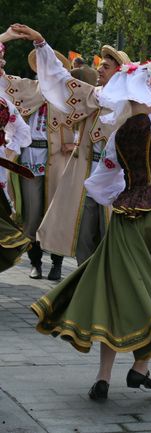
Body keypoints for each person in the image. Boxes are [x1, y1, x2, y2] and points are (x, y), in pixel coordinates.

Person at [28, 28, 151, 401]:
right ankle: (139, 367)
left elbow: (102, 185)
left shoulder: (117, 136)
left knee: (119, 293)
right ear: (149, 92)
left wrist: (129, 195)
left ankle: (105, 376)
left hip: (124, 219)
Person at [8, 24, 131, 267]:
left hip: (115, 179)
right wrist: (40, 42)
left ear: (120, 71)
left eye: (106, 66)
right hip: (85, 175)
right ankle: (81, 283)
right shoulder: (92, 96)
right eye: (99, 65)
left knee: (110, 236)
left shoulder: (134, 104)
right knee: (83, 234)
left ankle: (107, 285)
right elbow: (61, 79)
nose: (99, 69)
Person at [0, 32, 76, 280]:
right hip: (30, 160)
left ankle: (56, 262)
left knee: (56, 212)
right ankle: (35, 262)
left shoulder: (68, 97)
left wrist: (72, 141)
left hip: (59, 160)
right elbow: (4, 81)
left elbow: (85, 121)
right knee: (31, 212)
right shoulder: (25, 88)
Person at [0, 94, 32, 273]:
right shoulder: (5, 103)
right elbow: (22, 132)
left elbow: (22, 132)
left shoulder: (4, 103)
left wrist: (9, 151)